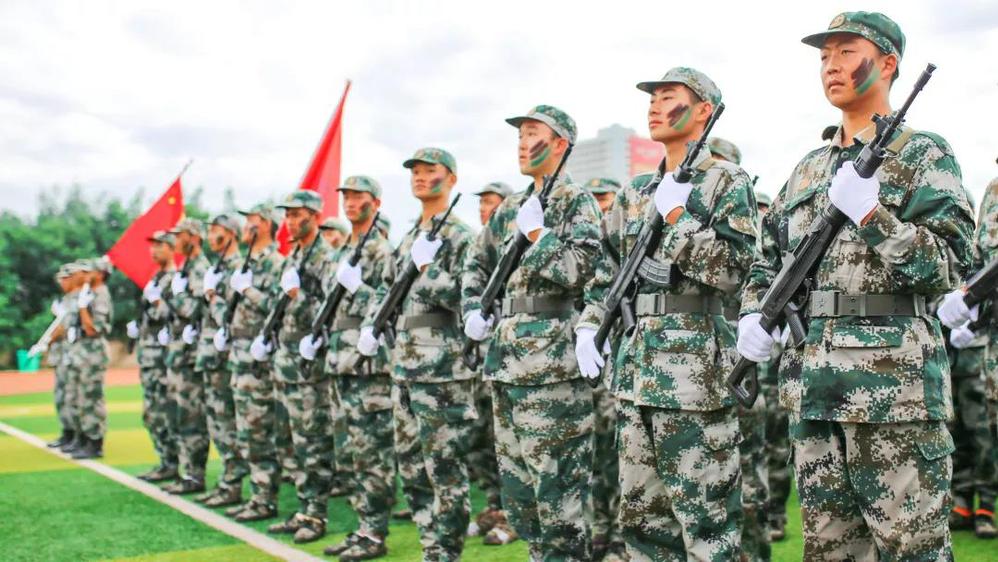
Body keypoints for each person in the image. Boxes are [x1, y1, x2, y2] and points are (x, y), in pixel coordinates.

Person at [744, 12, 974, 559]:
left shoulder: (923, 153)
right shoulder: (807, 169)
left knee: (912, 548)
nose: (831, 65)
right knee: (829, 551)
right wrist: (754, 310)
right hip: (812, 391)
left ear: (887, 63)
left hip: (894, 393)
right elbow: (766, 258)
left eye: (846, 52)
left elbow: (949, 265)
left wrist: (872, 216)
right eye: (825, 56)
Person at [577, 68, 756, 560]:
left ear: (703, 110)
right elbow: (605, 274)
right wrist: (589, 324)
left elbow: (736, 271)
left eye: (668, 96)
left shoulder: (726, 181)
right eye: (652, 97)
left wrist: (678, 219)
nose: (654, 105)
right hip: (636, 374)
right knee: (643, 525)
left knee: (707, 525)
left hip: (695, 378)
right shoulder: (635, 192)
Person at [463, 105, 601, 561]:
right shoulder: (509, 209)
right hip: (505, 363)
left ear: (560, 143)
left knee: (559, 495)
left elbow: (584, 271)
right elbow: (476, 264)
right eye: (519, 135)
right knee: (520, 496)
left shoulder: (576, 202)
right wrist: (473, 308)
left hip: (552, 366)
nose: (522, 143)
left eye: (532, 133)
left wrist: (540, 237)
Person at [358, 147, 476, 562]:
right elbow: (386, 289)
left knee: (445, 469)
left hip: (442, 370)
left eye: (430, 170)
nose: (421, 177)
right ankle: (430, 546)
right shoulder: (410, 236)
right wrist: (371, 325)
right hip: (404, 367)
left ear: (451, 179)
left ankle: (447, 552)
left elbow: (469, 298)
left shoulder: (462, 237)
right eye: (415, 172)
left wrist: (430, 271)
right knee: (411, 468)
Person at [300, 176, 396, 560]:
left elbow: (391, 305)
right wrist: (319, 335)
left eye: (358, 196)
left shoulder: (381, 250)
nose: (350, 202)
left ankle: (374, 533)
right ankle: (362, 528)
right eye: (346, 196)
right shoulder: (342, 252)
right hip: (339, 361)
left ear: (375, 202)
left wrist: (361, 290)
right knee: (350, 454)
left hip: (368, 365)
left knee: (372, 454)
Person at [254, 191, 336, 543]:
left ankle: (316, 514)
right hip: (286, 362)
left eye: (298, 214)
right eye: (287, 215)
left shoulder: (325, 257)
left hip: (309, 366)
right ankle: (304, 507)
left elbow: (329, 309)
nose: (290, 221)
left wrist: (296, 296)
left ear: (315, 217)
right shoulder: (296, 256)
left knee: (313, 442)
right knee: (290, 442)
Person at [710, 138, 773, 560]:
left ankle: (754, 550)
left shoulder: (747, 223)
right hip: (702, 357)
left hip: (744, 357)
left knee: (748, 465)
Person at [219, 204, 287, 523]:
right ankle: (256, 496)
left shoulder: (276, 263)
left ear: (267, 225)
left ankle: (264, 499)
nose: (246, 225)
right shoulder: (247, 262)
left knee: (259, 432)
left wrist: (248, 290)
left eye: (252, 220)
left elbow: (277, 306)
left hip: (259, 359)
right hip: (240, 355)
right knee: (245, 431)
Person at [583, 176, 626, 561]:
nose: (600, 204)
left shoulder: (621, 238)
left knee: (619, 454)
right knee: (595, 455)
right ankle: (600, 528)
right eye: (594, 198)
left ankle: (619, 533)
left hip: (620, 360)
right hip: (589, 362)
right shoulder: (586, 241)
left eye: (606, 198)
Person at [193, 214, 249, 507]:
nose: (210, 235)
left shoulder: (238, 268)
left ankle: (232, 483)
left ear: (230, 234)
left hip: (226, 358)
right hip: (211, 357)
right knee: (216, 422)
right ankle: (227, 481)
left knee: (227, 423)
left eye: (215, 230)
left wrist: (213, 297)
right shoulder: (217, 268)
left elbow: (230, 317)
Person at [162, 218, 212, 494]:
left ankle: (195, 474)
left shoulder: (201, 269)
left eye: (179, 235)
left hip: (191, 355)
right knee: (179, 414)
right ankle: (185, 470)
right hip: (179, 353)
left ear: (193, 237)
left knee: (192, 416)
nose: (175, 240)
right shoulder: (186, 268)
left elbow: (195, 311)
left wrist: (177, 296)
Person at [128, 230, 181, 482]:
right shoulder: (156, 279)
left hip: (163, 358)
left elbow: (176, 315)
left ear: (172, 248)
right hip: (149, 357)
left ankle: (173, 462)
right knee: (151, 413)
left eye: (160, 245)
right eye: (153, 246)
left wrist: (158, 303)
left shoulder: (175, 279)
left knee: (164, 411)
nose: (154, 250)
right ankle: (164, 460)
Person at [65, 258, 113, 459]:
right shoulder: (90, 293)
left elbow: (94, 329)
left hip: (93, 352)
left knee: (91, 398)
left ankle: (95, 441)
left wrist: (83, 309)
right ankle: (83, 438)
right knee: (80, 397)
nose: (86, 275)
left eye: (90, 271)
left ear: (100, 274)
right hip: (83, 351)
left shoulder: (101, 295)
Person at [45, 265, 75, 449]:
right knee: (61, 396)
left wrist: (49, 339)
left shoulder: (76, 300)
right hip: (61, 355)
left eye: (65, 278)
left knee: (71, 396)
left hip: (71, 355)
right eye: (60, 278)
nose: (62, 282)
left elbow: (64, 327)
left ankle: (75, 436)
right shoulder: (64, 300)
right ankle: (67, 433)